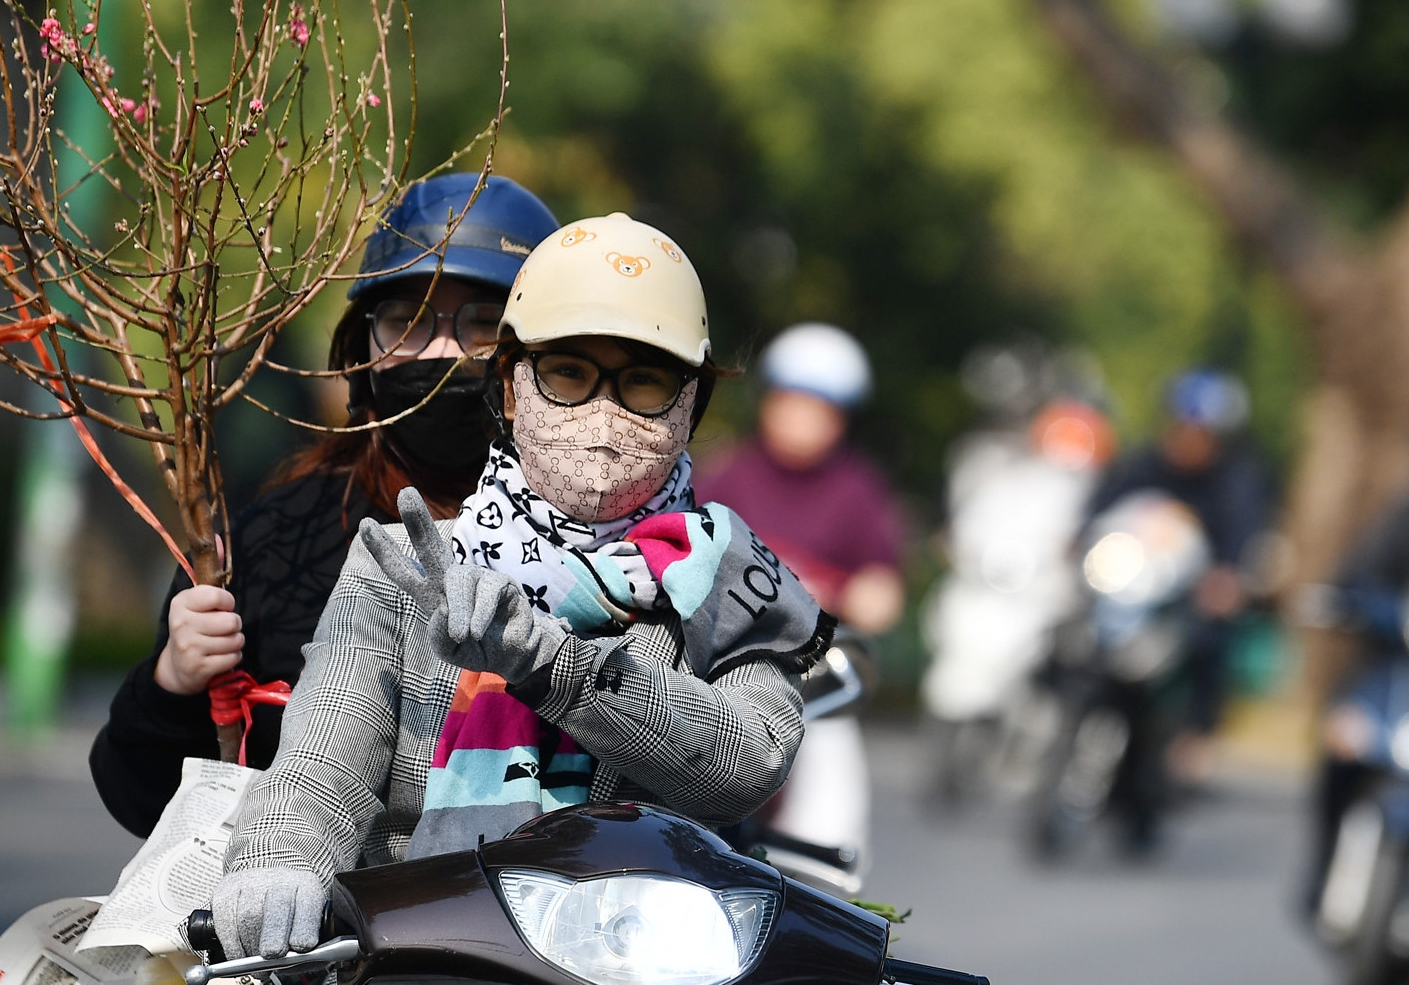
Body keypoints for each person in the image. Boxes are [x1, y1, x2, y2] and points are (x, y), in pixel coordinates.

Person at [211, 213, 831, 959]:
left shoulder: (728, 576)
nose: (604, 414)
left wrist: (549, 664)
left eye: (643, 381)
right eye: (569, 374)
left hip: (656, 955)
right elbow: (322, 760)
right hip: (424, 954)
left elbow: (747, 762)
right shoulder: (401, 564)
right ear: (510, 388)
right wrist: (276, 860)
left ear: (689, 405)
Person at [89, 173, 560, 837]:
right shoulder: (277, 540)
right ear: (360, 349)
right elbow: (143, 800)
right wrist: (172, 683)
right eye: (408, 322)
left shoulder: (610, 548)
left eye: (484, 327)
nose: (444, 351)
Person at [697, 322, 910, 871]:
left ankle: (817, 895)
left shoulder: (855, 489)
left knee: (829, 825)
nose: (805, 420)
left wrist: (848, 591)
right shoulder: (729, 474)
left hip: (814, 683)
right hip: (717, 672)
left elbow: (885, 594)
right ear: (769, 401)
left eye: (823, 409)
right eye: (794, 402)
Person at [1306, 375, 1409, 912]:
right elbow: (1361, 573)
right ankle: (1325, 870)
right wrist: (1349, 599)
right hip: (1399, 675)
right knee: (1343, 743)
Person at [1083, 367, 1274, 783]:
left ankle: (1195, 733)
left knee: (1210, 642)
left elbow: (1242, 537)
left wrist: (1228, 579)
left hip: (1184, 595)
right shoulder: (1144, 462)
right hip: (1130, 586)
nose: (1188, 440)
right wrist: (1075, 540)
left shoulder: (1236, 480)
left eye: (1201, 433)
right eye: (1182, 427)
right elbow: (1099, 506)